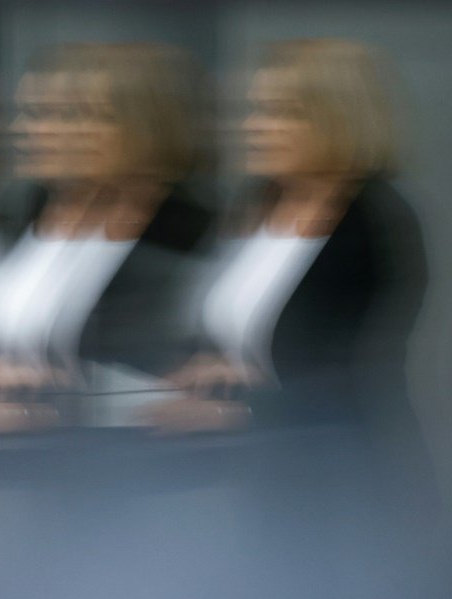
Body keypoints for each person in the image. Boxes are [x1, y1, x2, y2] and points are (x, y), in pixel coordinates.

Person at [0, 42, 214, 434]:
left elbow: (160, 397)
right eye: (32, 114)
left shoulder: (182, 236)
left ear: (144, 126)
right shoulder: (35, 204)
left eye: (67, 116)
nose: (29, 131)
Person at [147, 39, 428, 441]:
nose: (254, 127)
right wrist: (212, 363)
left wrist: (241, 411)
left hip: (339, 455)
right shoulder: (257, 203)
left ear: (339, 120)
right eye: (257, 110)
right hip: (244, 454)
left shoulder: (372, 222)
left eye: (283, 112)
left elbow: (352, 370)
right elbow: (241, 331)